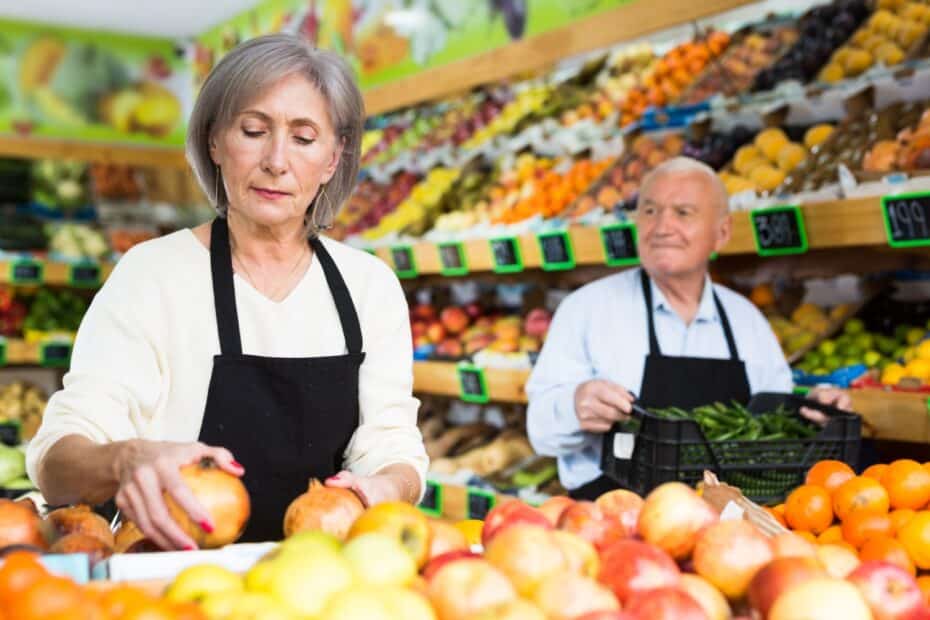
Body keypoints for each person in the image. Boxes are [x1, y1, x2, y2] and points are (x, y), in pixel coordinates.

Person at [26, 34, 427, 548]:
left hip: (319, 582)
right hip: (167, 579)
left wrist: (386, 485)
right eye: (254, 130)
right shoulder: (153, 275)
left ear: (333, 159)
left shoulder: (368, 287)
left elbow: (392, 444)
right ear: (215, 141)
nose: (276, 161)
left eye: (304, 139)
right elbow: (58, 463)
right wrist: (125, 459)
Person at [526, 157, 850, 500]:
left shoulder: (746, 321)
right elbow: (541, 432)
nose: (662, 226)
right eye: (649, 211)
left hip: (731, 530)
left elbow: (775, 427)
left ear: (721, 233)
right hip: (615, 523)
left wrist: (811, 413)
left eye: (683, 212)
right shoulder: (587, 309)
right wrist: (574, 406)